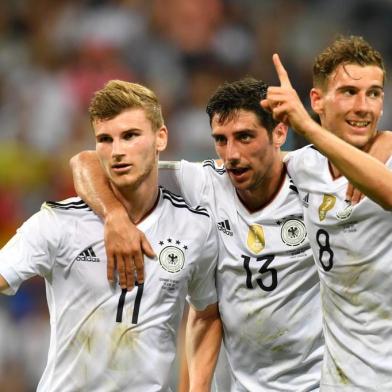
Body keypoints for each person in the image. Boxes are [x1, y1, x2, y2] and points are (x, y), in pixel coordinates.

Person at [71, 78, 324, 391]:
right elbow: (86, 161)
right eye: (221, 139)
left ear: (280, 133)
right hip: (242, 385)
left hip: (324, 381)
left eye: (245, 137)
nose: (231, 154)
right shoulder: (203, 183)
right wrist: (114, 215)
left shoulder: (315, 177)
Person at [0, 80, 221, 391]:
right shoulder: (59, 222)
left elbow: (208, 314)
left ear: (161, 138)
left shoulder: (195, 228)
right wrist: (114, 216)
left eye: (130, 136)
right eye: (105, 139)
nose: (117, 151)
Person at [262, 35, 392, 390]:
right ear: (317, 100)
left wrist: (307, 128)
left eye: (374, 93)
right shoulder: (303, 167)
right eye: (349, 92)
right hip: (339, 381)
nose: (364, 106)